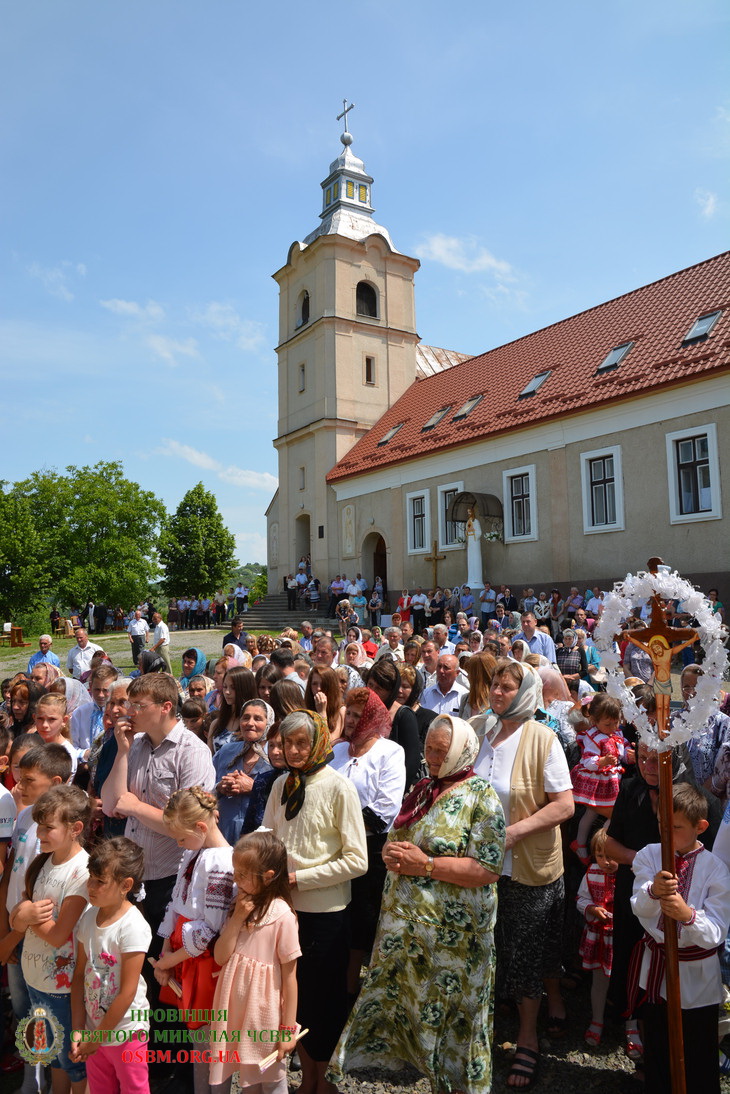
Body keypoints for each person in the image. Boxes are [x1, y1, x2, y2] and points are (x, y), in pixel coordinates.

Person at [330, 715, 505, 1094]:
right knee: (414, 1018)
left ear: (462, 752)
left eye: (442, 751)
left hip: (454, 943)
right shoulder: (424, 788)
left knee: (454, 1029)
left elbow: (487, 869)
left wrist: (424, 864)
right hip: (409, 936)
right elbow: (399, 835)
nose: (433, 758)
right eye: (429, 749)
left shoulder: (482, 797)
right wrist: (391, 853)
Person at [472, 660, 574, 1089]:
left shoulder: (542, 738)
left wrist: (513, 833)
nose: (497, 692)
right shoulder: (478, 730)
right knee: (488, 947)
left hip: (528, 866)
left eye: (508, 687)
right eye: (495, 684)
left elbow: (564, 805)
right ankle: (485, 1027)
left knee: (527, 954)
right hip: (480, 865)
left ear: (527, 692)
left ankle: (528, 1038)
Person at [262, 710, 367, 1094]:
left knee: (326, 1001)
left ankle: (327, 1081)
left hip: (325, 914)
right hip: (285, 911)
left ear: (319, 743)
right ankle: (308, 1076)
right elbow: (269, 836)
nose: (292, 751)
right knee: (296, 1000)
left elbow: (357, 860)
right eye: (287, 743)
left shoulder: (339, 788)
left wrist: (299, 879)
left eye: (301, 743)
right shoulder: (281, 785)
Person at [629, 782, 730, 1094]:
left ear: (700, 827)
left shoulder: (716, 869)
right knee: (658, 1046)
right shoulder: (649, 856)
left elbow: (717, 932)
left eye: (676, 827)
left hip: (697, 980)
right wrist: (652, 892)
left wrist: (688, 915)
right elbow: (638, 907)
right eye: (663, 824)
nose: (667, 833)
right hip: (658, 971)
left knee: (697, 1051)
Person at [10, 785, 92, 1094]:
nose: (40, 833)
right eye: (38, 826)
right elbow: (16, 916)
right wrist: (22, 914)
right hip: (36, 980)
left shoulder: (82, 871)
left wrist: (27, 916)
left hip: (62, 988)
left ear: (75, 829)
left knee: (72, 1062)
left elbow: (58, 936)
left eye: (48, 827)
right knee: (55, 1057)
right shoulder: (44, 860)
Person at [153, 788, 234, 1093]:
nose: (179, 844)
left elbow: (210, 929)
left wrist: (169, 961)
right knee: (197, 1040)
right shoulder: (193, 852)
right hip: (183, 956)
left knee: (211, 1043)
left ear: (201, 827)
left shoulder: (222, 863)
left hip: (203, 962)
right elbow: (176, 902)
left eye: (181, 838)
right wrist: (165, 952)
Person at [209, 831, 300, 1094]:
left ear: (268, 876)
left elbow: (290, 979)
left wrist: (287, 1030)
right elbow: (220, 957)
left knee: (271, 1079)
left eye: (242, 874)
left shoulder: (283, 916)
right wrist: (237, 917)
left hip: (263, 1015)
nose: (235, 879)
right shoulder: (239, 904)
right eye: (235, 872)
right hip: (234, 1010)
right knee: (247, 1079)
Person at [330, 688, 407, 995]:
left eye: (358, 715)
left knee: (360, 924)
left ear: (373, 718)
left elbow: (385, 809)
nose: (350, 720)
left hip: (368, 851)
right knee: (334, 919)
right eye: (348, 713)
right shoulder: (337, 752)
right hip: (331, 849)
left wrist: (341, 827)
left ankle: (350, 991)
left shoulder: (389, 752)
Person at [70, 838, 152, 1094]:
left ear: (125, 885)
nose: (90, 886)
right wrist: (79, 1031)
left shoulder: (133, 927)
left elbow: (127, 993)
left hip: (127, 1033)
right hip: (93, 1031)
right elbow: (79, 975)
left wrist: (96, 1039)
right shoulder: (88, 918)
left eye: (100, 881)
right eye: (90, 878)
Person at [570, 694, 630, 863]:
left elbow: (622, 751)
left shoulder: (616, 733)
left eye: (616, 722)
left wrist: (629, 755)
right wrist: (602, 761)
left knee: (592, 813)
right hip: (599, 782)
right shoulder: (593, 737)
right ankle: (602, 846)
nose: (613, 727)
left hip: (611, 781)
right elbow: (587, 761)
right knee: (612, 815)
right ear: (595, 721)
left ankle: (583, 844)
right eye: (607, 724)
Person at [576, 825, 617, 1047]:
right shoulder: (592, 872)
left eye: (611, 856)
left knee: (626, 981)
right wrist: (591, 908)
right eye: (600, 856)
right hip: (600, 936)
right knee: (599, 981)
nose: (606, 862)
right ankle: (597, 1020)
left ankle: (631, 1026)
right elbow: (581, 899)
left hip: (620, 938)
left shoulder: (629, 874)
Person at [213, 699, 273, 844]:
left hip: (260, 838)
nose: (250, 723)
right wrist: (219, 787)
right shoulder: (226, 751)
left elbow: (284, 797)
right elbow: (204, 787)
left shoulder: (275, 756)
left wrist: (254, 788)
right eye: (245, 717)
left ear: (269, 723)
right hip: (223, 834)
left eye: (257, 718)